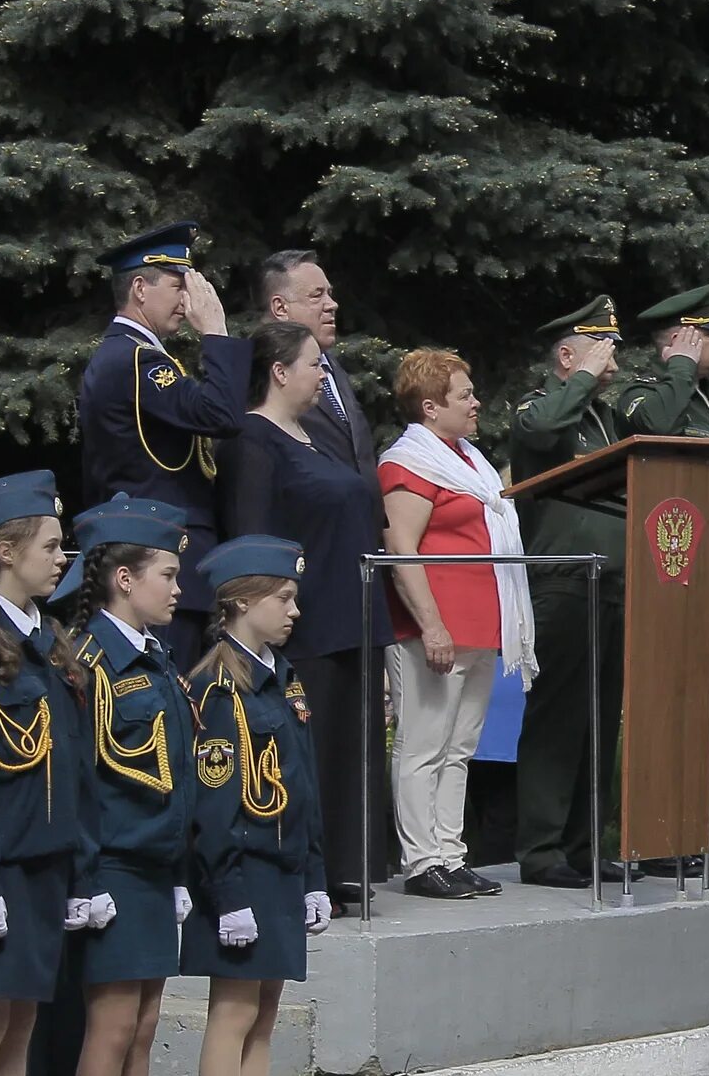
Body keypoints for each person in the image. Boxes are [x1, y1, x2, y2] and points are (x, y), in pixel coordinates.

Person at [58, 502, 199, 1076]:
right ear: (122, 577)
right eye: (166, 574)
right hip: (112, 866)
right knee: (111, 1027)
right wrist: (85, 880)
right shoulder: (89, 661)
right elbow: (81, 781)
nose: (178, 587)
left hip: (151, 866)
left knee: (144, 1026)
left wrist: (176, 869)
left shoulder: (154, 658)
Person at [183, 536, 330, 1076]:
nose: (293, 608)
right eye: (282, 596)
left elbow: (304, 785)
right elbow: (212, 805)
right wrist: (228, 893)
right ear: (242, 602)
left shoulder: (282, 674)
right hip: (240, 873)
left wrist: (316, 874)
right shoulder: (217, 686)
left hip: (280, 868)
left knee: (264, 1015)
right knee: (234, 1012)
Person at [223, 320, 383, 907]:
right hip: (303, 619)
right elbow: (251, 530)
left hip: (349, 612)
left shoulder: (315, 435)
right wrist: (268, 609)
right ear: (279, 371)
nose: (324, 372)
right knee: (310, 749)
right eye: (314, 363)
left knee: (350, 748)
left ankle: (344, 865)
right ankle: (303, 869)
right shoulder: (254, 438)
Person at [0, 475, 89, 1076]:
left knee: (18, 1029)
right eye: (49, 546)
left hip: (46, 864)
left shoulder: (47, 642)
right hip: (2, 866)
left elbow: (71, 767)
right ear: (4, 551)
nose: (61, 558)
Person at [379, 349, 534, 900]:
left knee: (459, 746)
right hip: (433, 628)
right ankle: (422, 861)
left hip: (481, 625)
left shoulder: (469, 460)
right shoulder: (408, 463)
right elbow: (401, 546)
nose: (476, 403)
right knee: (422, 745)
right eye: (464, 396)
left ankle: (450, 852)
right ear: (429, 407)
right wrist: (431, 625)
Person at [615, 285, 709, 877]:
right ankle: (659, 837)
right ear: (679, 339)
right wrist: (676, 367)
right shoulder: (651, 393)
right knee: (671, 710)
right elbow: (650, 432)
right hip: (670, 581)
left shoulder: (707, 397)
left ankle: (692, 832)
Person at [76, 223, 252, 658]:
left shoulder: (126, 356)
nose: (187, 300)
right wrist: (215, 331)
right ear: (140, 288)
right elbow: (222, 415)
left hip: (151, 555)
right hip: (161, 557)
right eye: (177, 286)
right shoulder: (138, 359)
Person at [507, 297, 630, 889]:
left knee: (600, 718)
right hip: (563, 579)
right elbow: (540, 432)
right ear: (566, 354)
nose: (614, 354)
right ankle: (541, 846)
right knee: (558, 718)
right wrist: (580, 380)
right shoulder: (543, 406)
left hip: (613, 580)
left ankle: (586, 843)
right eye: (601, 344)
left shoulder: (606, 417)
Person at [258, 250, 372, 469]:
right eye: (316, 295)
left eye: (329, 293)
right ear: (280, 308)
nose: (332, 304)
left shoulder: (331, 365)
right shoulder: (256, 374)